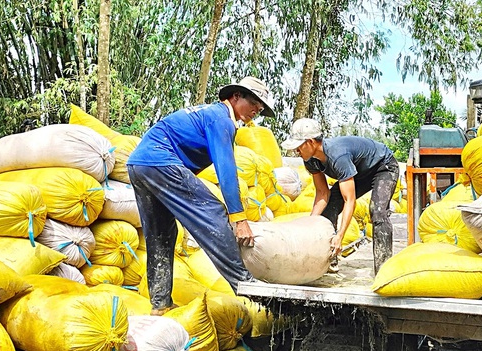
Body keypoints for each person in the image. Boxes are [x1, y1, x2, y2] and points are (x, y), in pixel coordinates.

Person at [127, 76, 275, 315]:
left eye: (260, 108)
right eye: (255, 102)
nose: (257, 110)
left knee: (162, 232)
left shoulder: (211, 115)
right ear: (236, 96)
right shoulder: (221, 120)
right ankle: (245, 283)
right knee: (213, 212)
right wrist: (239, 218)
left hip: (138, 165)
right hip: (160, 161)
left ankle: (160, 303)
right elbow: (226, 171)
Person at [280, 118, 398, 275]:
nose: (296, 151)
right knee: (330, 206)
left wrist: (340, 236)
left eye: (298, 146)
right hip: (359, 171)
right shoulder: (310, 160)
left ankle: (384, 270)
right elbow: (322, 193)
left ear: (310, 142)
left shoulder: (337, 156)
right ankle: (330, 259)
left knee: (377, 211)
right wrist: (309, 224)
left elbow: (349, 200)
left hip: (383, 166)